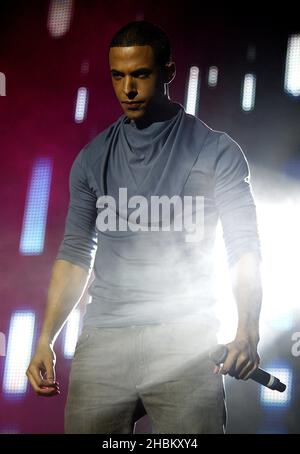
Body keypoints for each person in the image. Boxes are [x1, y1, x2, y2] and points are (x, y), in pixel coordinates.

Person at [26, 20, 262, 434]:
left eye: (140, 74)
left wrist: (247, 331)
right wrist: (45, 336)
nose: (128, 89)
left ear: (168, 73)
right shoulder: (92, 158)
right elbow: (76, 254)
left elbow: (243, 247)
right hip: (104, 341)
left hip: (187, 340)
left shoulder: (216, 151)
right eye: (118, 76)